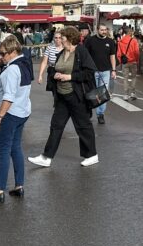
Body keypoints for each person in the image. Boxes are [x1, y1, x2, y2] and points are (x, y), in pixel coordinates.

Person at [28, 25, 99, 168]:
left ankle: (91, 155)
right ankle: (46, 157)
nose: (60, 39)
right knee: (56, 125)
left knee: (83, 126)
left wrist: (70, 76)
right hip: (62, 96)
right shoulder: (61, 53)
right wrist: (54, 74)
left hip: (77, 96)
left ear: (70, 38)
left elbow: (89, 72)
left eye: (63, 37)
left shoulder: (81, 52)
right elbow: (52, 68)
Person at [0, 36, 32, 204]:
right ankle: (19, 185)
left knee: (3, 152)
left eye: (3, 53)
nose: (0, 56)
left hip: (10, 114)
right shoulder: (24, 63)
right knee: (15, 148)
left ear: (12, 52)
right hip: (22, 111)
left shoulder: (12, 70)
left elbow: (8, 97)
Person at [84, 24, 117, 124]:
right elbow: (85, 55)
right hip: (92, 71)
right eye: (102, 30)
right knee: (91, 92)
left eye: (105, 30)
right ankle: (88, 112)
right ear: (97, 30)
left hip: (105, 71)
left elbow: (112, 56)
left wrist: (114, 70)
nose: (104, 31)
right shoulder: (90, 40)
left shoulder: (110, 42)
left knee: (103, 93)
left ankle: (100, 114)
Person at [116, 26, 140, 101]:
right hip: (133, 61)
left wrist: (121, 61)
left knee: (125, 78)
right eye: (131, 31)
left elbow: (118, 54)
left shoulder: (120, 41)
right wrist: (137, 60)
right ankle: (133, 93)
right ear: (129, 32)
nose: (132, 33)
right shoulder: (134, 41)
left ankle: (125, 95)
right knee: (133, 77)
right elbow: (136, 52)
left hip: (125, 62)